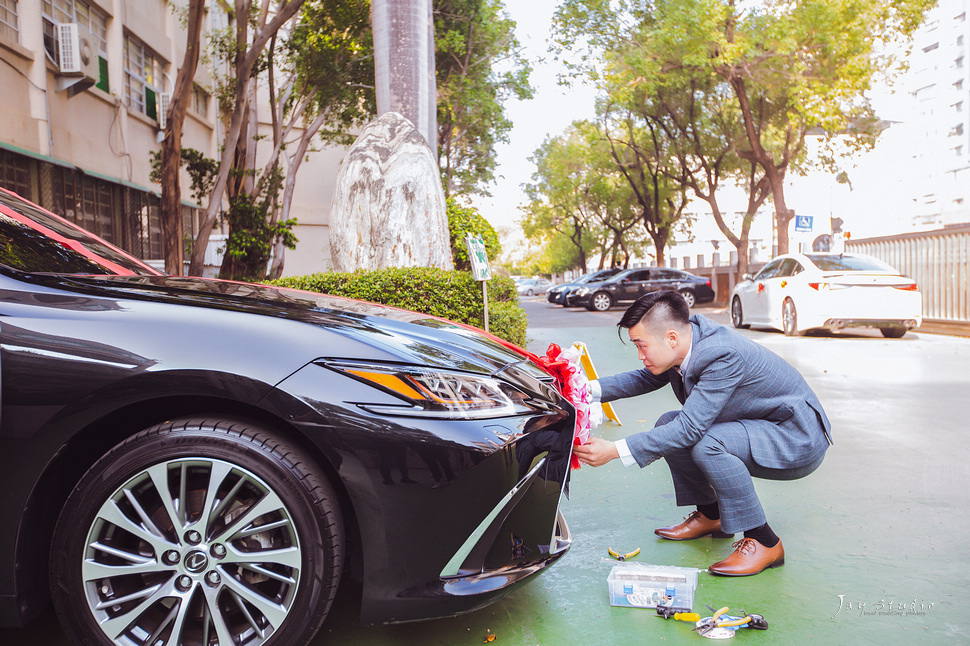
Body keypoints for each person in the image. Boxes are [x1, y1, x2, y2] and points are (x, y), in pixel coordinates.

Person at [572, 291, 832, 576]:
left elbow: (690, 428)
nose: (640, 355)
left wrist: (615, 450)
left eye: (642, 346)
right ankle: (712, 515)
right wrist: (582, 390)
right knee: (667, 424)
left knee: (705, 442)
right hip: (763, 423)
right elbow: (645, 377)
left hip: (794, 437)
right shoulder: (687, 339)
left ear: (671, 338)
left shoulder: (720, 354)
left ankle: (764, 541)